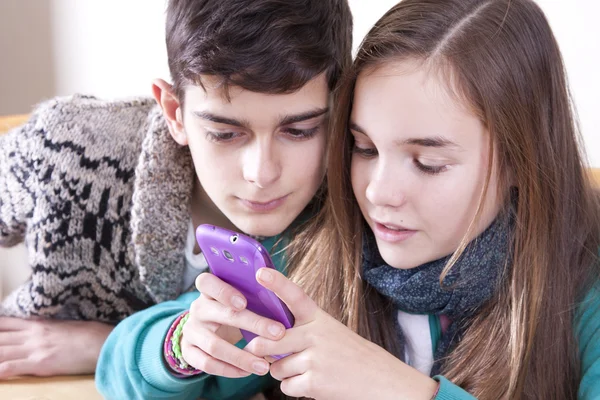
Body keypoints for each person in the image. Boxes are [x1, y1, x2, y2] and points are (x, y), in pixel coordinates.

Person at [147, 0, 600, 398]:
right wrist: (184, 343)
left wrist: (400, 390)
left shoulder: (581, 290)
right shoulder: (318, 253)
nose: (378, 192)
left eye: (427, 162)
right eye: (364, 148)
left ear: (521, 158)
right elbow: (134, 356)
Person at [0, 0, 352, 382]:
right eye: (225, 133)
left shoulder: (364, 214)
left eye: (299, 131)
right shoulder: (68, 147)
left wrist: (99, 345)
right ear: (174, 111)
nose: (262, 173)